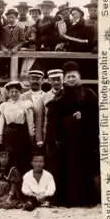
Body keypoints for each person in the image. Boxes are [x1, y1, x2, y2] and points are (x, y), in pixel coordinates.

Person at [50, 61, 99, 208]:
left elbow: (97, 114)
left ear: (79, 77)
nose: (71, 79)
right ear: (64, 79)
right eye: (68, 76)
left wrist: (83, 115)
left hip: (84, 138)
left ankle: (85, 199)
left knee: (84, 168)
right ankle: (67, 200)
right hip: (66, 140)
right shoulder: (59, 96)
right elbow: (54, 120)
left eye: (74, 76)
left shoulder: (89, 94)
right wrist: (70, 120)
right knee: (66, 169)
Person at [0, 81, 34, 174]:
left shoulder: (26, 104)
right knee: (9, 157)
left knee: (21, 157)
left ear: (20, 92)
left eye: (16, 91)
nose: (14, 94)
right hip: (8, 134)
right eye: (11, 92)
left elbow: (30, 122)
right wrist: (0, 135)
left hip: (21, 134)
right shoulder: (4, 105)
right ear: (8, 93)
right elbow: (1, 122)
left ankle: (21, 181)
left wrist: (31, 135)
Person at [20, 70, 45, 148]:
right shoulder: (22, 97)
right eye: (32, 79)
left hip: (42, 133)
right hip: (26, 133)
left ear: (42, 80)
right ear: (28, 80)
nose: (35, 81)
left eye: (37, 79)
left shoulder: (46, 96)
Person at [0, 9, 28, 76]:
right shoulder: (4, 29)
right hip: (6, 51)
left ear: (16, 18)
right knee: (5, 67)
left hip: (15, 51)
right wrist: (3, 48)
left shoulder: (20, 28)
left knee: (15, 68)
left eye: (13, 17)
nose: (11, 19)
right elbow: (1, 41)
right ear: (7, 18)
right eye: (9, 17)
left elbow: (22, 40)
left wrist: (16, 47)